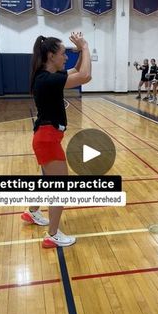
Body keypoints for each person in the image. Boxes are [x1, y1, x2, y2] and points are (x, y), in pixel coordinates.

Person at [24, 32, 91, 247]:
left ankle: (33, 211)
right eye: (63, 54)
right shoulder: (47, 80)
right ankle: (52, 235)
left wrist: (80, 52)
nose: (66, 58)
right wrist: (86, 47)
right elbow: (85, 76)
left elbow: (76, 71)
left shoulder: (47, 76)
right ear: (51, 56)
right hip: (48, 139)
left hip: (45, 137)